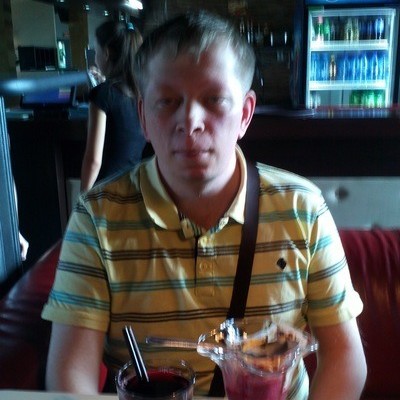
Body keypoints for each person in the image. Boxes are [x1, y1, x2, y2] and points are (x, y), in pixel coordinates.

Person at [42, 10, 367, 399]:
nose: (190, 121)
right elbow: (69, 375)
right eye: (167, 101)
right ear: (143, 116)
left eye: (214, 100)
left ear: (244, 114)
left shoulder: (304, 209)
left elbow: (345, 358)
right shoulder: (96, 219)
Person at [80, 20, 146, 192]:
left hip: (107, 193)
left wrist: (82, 200)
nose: (95, 58)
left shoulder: (102, 95)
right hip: (134, 188)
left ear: (107, 53)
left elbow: (93, 161)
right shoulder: (142, 92)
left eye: (96, 51)